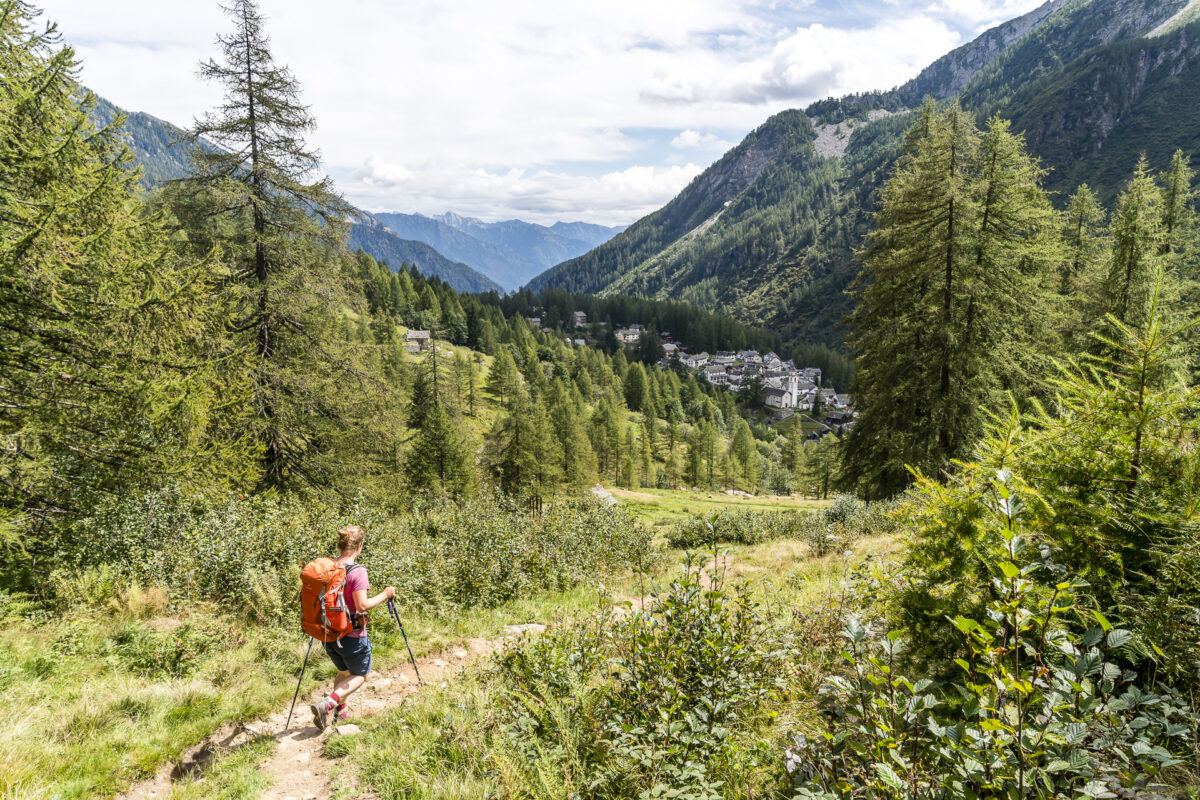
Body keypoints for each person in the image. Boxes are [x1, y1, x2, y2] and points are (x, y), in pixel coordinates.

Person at [310, 525, 395, 730]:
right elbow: (362, 605)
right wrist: (386, 594)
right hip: (352, 634)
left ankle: (342, 711)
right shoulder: (358, 571)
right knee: (360, 675)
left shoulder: (327, 568)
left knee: (344, 671)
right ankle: (329, 703)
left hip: (328, 633)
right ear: (359, 546)